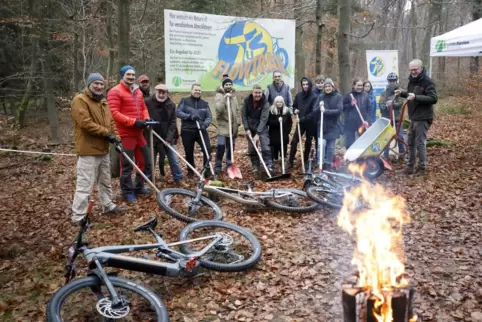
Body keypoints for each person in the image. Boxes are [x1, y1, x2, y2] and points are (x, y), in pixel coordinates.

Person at [71, 72, 125, 222]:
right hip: (88, 150)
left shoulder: (103, 102)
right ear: (89, 84)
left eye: (101, 84)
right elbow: (85, 123)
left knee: (105, 180)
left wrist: (117, 139)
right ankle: (79, 215)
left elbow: (111, 123)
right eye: (96, 83)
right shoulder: (80, 100)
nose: (99, 86)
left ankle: (107, 205)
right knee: (85, 183)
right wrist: (107, 133)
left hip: (103, 149)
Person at [107, 65, 152, 202]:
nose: (131, 77)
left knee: (145, 161)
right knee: (127, 165)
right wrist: (133, 122)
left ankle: (138, 186)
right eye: (128, 75)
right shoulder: (115, 92)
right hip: (125, 133)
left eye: (133, 75)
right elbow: (114, 113)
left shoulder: (137, 91)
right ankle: (127, 191)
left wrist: (146, 119)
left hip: (139, 132)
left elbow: (143, 108)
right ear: (122, 76)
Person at [395, 59, 438, 175]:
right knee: (410, 142)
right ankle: (410, 166)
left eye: (415, 69)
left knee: (420, 143)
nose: (413, 72)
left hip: (423, 117)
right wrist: (402, 93)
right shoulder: (412, 81)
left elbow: (433, 98)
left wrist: (416, 97)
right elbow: (411, 94)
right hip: (414, 117)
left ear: (421, 68)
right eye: (411, 70)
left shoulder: (427, 82)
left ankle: (422, 168)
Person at [145, 83, 183, 183]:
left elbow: (173, 123)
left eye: (164, 93)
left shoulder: (171, 104)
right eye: (159, 92)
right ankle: (148, 180)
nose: (161, 95)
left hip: (167, 137)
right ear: (155, 92)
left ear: (167, 93)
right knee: (150, 161)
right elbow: (142, 116)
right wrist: (146, 124)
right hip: (151, 136)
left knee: (174, 160)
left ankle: (178, 178)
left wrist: (168, 139)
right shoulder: (147, 102)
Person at [176, 83, 212, 177]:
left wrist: (204, 125)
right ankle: (191, 170)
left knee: (207, 149)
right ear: (191, 90)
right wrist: (189, 116)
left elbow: (209, 117)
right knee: (189, 151)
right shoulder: (185, 101)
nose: (197, 92)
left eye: (199, 90)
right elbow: (178, 112)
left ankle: (206, 169)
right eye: (196, 90)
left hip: (201, 129)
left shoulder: (204, 103)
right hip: (187, 130)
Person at [242, 85, 273, 178]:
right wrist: (247, 129)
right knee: (252, 148)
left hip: (261, 126)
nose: (257, 94)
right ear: (252, 92)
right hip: (250, 127)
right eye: (256, 92)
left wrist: (258, 133)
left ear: (261, 92)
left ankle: (269, 166)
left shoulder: (265, 102)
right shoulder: (247, 100)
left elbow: (264, 119)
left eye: (259, 93)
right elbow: (244, 116)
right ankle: (256, 166)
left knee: (265, 146)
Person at [288, 77, 318, 169]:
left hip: (310, 123)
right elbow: (294, 106)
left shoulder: (314, 97)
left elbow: (313, 113)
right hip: (300, 123)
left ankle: (305, 161)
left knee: (308, 142)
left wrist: (302, 119)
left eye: (306, 84)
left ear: (310, 85)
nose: (305, 86)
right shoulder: (299, 96)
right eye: (303, 84)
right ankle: (290, 161)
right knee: (294, 141)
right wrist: (295, 110)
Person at [315, 78, 343, 170]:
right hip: (322, 126)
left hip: (333, 126)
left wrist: (326, 111)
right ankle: (320, 164)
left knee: (331, 147)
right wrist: (319, 107)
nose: (327, 88)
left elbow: (339, 110)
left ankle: (328, 164)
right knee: (321, 145)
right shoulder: (321, 97)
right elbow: (314, 110)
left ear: (332, 87)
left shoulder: (338, 97)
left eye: (329, 86)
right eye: (326, 86)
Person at [214, 76, 239, 174]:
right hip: (223, 126)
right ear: (223, 86)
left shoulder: (233, 96)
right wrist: (225, 98)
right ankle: (217, 166)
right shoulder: (218, 96)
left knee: (231, 147)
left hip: (232, 126)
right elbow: (219, 110)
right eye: (226, 85)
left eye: (230, 84)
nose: (228, 86)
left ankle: (229, 165)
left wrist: (238, 122)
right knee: (221, 146)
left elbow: (237, 110)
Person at [379, 72, 406, 161]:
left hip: (397, 118)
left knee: (400, 136)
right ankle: (385, 155)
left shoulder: (399, 92)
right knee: (387, 137)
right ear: (388, 81)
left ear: (396, 81)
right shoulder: (384, 92)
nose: (392, 83)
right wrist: (386, 105)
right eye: (390, 81)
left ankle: (402, 154)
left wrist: (392, 104)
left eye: (394, 81)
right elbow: (381, 104)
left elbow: (400, 103)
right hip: (387, 118)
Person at [342, 78, 371, 149]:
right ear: (354, 86)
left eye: (361, 85)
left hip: (362, 122)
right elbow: (342, 108)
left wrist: (368, 121)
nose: (360, 87)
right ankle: (349, 157)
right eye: (358, 85)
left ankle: (361, 157)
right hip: (350, 123)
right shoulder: (348, 95)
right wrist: (351, 104)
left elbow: (369, 109)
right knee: (349, 142)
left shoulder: (365, 95)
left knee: (363, 141)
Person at [268, 96, 292, 165]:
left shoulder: (286, 111)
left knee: (283, 147)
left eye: (280, 102)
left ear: (283, 102)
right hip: (274, 134)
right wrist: (277, 121)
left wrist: (288, 131)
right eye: (277, 102)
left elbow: (290, 123)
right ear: (275, 102)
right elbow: (269, 122)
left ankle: (283, 160)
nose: (279, 103)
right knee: (274, 148)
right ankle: (275, 160)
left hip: (284, 134)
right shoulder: (271, 111)